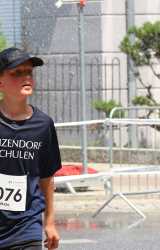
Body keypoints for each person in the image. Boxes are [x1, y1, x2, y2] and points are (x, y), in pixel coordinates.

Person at [0, 47, 61, 250]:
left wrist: (49, 222)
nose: (26, 77)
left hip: (27, 229)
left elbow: (47, 178)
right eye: (16, 73)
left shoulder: (43, 125)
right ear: (0, 82)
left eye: (29, 72)